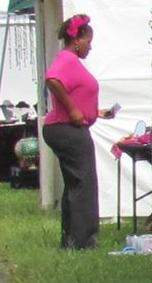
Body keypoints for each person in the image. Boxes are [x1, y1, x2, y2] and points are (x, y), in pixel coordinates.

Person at [43, 15, 116, 251]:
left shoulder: (71, 60)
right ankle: (84, 240)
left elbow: (76, 90)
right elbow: (53, 80)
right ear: (77, 40)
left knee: (76, 183)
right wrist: (73, 110)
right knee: (84, 183)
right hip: (67, 128)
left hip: (68, 126)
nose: (90, 46)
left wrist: (96, 112)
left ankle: (72, 239)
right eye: (88, 41)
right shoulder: (67, 59)